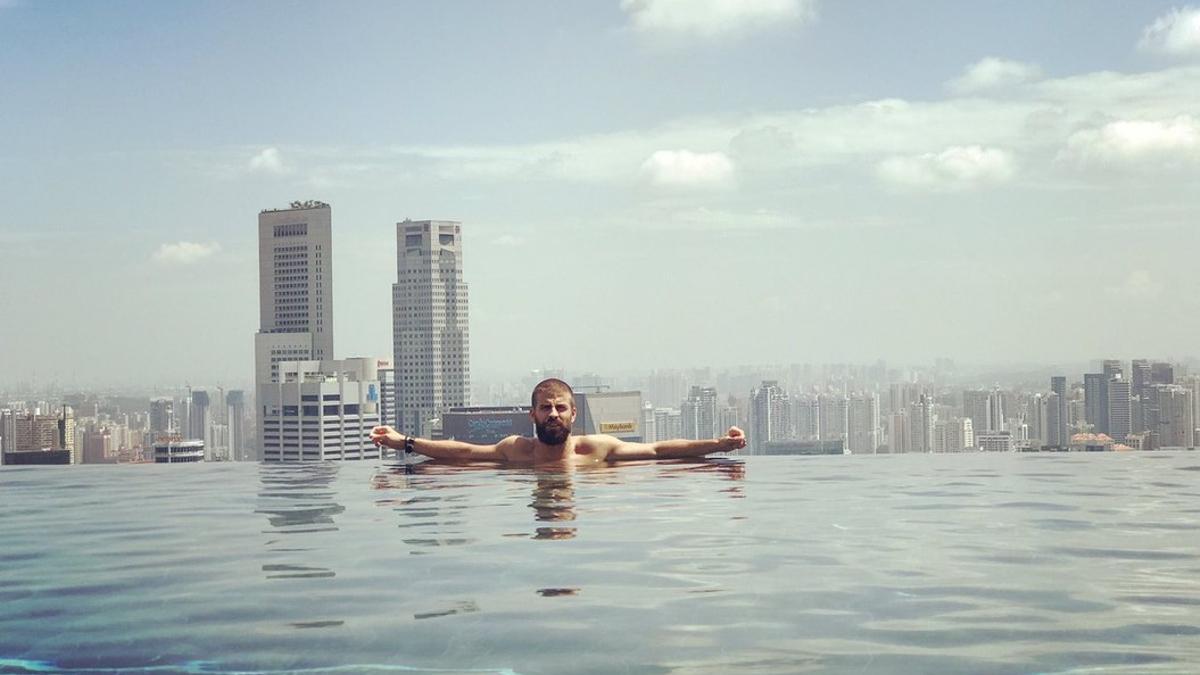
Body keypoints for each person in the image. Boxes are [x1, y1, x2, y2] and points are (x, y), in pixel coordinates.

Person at [369, 378, 747, 464]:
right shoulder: (515, 451)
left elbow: (659, 450)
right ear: (532, 413)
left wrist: (720, 445)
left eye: (560, 408)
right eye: (546, 408)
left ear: (573, 413)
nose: (553, 414)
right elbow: (465, 452)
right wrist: (404, 442)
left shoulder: (596, 451)